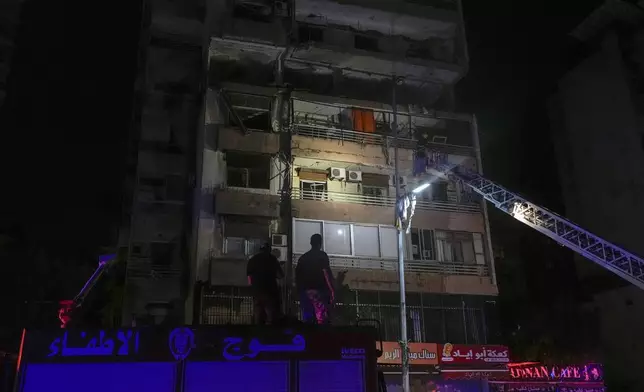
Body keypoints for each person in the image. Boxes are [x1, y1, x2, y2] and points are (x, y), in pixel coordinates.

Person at [295, 234, 335, 324]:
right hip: (319, 290)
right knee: (321, 319)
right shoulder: (322, 255)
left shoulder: (303, 258)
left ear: (311, 243)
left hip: (306, 291)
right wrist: (331, 289)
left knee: (308, 319)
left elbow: (297, 275)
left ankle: (309, 336)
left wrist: (299, 291)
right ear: (320, 243)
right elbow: (326, 273)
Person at [247, 242, 284, 325]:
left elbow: (249, 276)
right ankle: (268, 334)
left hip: (257, 291)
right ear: (269, 250)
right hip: (270, 291)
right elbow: (280, 275)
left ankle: (257, 333)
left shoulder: (253, 259)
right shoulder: (272, 259)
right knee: (270, 315)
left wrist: (252, 288)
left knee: (257, 313)